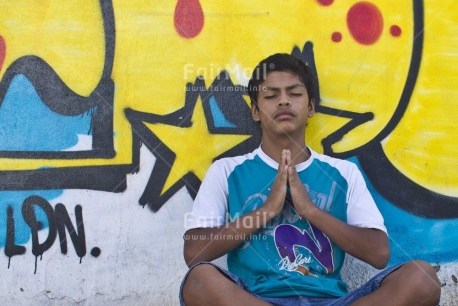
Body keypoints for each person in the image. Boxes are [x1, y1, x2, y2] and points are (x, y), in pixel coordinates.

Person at [180, 53, 441, 305]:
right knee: (199, 280)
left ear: (311, 107)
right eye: (271, 96)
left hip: (331, 301)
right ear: (256, 112)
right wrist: (267, 210)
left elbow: (379, 254)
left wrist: (310, 211)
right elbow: (194, 253)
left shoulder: (343, 173)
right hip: (256, 299)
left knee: (422, 277)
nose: (283, 102)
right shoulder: (226, 171)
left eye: (294, 94)